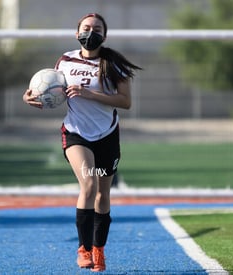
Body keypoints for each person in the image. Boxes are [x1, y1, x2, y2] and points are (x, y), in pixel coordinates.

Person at [23, 13, 141, 272]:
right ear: (77, 32)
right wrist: (31, 96)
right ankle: (84, 249)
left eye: (96, 29)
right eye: (86, 28)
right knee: (88, 183)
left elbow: (126, 102)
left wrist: (90, 94)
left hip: (107, 136)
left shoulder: (112, 64)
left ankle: (99, 249)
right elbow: (49, 88)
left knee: (102, 193)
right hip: (76, 133)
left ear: (104, 35)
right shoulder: (65, 60)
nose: (91, 32)